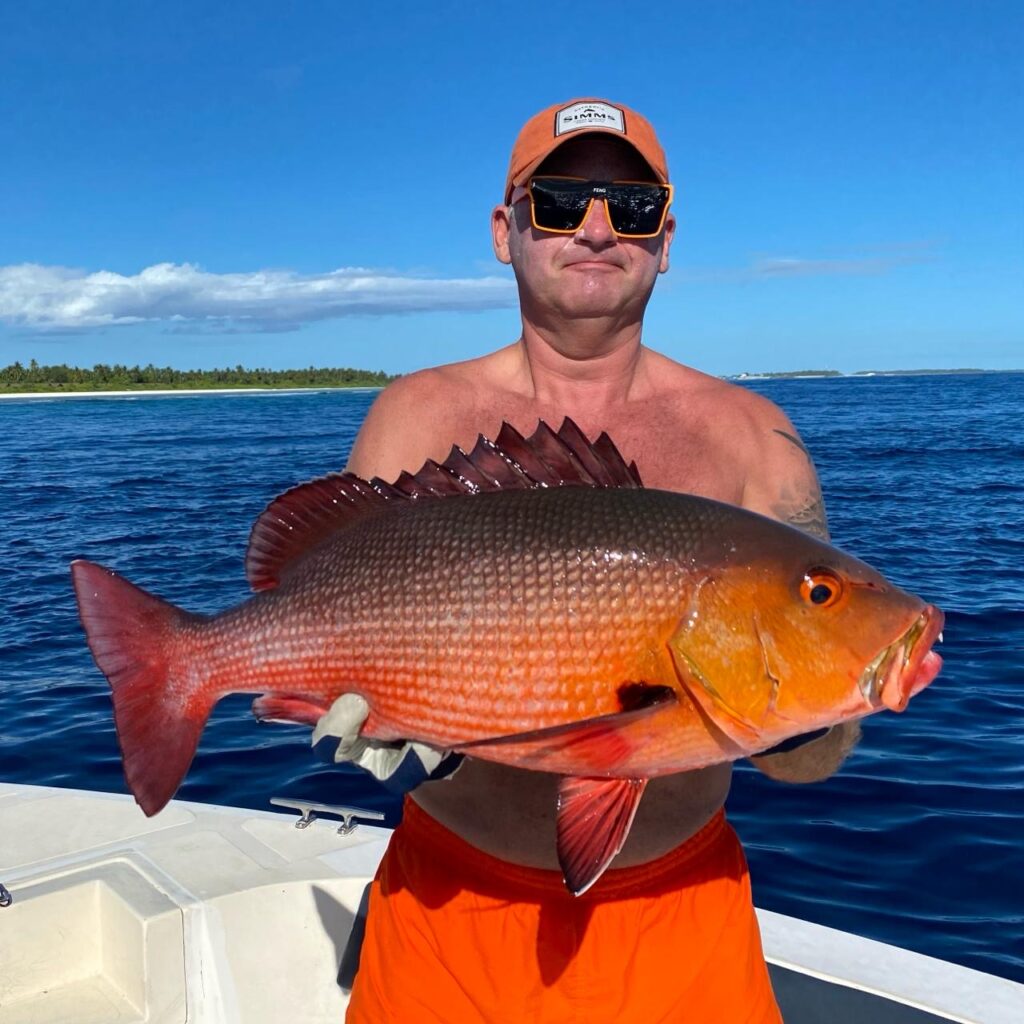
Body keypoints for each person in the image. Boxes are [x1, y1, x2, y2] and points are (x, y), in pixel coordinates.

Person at [316, 98, 861, 1023]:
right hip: (447, 911)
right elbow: (331, 614)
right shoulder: (411, 420)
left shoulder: (757, 441)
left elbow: (816, 762)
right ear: (506, 229)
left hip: (682, 915)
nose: (600, 227)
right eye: (562, 201)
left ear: (667, 235)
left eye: (633, 205)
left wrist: (805, 709)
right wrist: (376, 728)